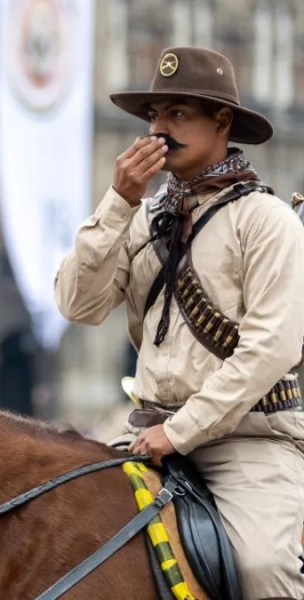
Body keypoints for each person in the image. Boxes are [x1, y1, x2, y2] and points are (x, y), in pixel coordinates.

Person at [55, 46, 304, 599]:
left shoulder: (266, 221)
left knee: (262, 568)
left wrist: (181, 431)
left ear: (222, 122)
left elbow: (270, 350)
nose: (159, 130)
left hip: (247, 441)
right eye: (154, 116)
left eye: (178, 114)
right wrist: (118, 203)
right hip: (146, 433)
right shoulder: (144, 217)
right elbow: (78, 304)